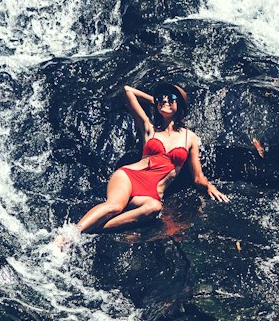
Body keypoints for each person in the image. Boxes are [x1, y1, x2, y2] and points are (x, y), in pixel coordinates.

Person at [73, 82, 228, 235]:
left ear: (180, 105)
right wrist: (157, 102)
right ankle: (71, 234)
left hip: (151, 193)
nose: (165, 100)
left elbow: (197, 177)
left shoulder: (190, 137)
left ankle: (95, 229)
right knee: (114, 206)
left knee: (154, 207)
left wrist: (209, 186)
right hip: (129, 177)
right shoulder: (149, 128)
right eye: (162, 97)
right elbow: (128, 91)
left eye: (171, 97)